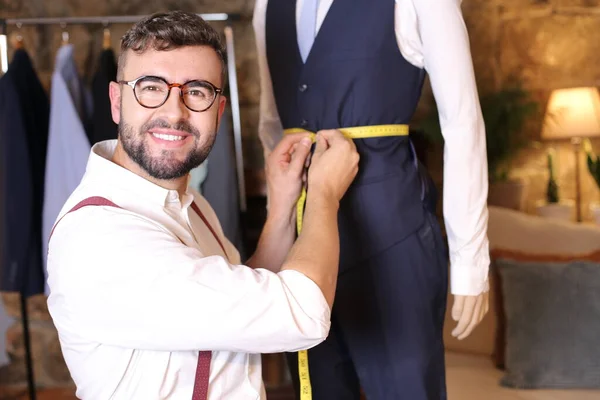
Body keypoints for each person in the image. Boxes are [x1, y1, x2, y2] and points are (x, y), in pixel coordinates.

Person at [46, 11, 359, 400]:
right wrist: (325, 194)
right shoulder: (99, 239)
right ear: (115, 100)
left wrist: (282, 204)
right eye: (150, 86)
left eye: (196, 91)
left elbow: (242, 296)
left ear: (218, 111)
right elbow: (302, 315)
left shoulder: (187, 203)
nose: (174, 112)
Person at [253, 0, 490, 399]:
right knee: (321, 388)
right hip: (305, 246)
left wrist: (470, 260)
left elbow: (462, 120)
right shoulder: (266, 5)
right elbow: (271, 124)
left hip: (395, 238)